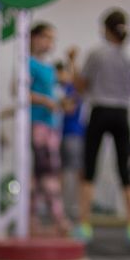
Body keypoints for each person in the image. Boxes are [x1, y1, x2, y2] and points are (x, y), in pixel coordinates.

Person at [73, 8, 130, 246]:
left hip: (100, 112)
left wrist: (73, 64)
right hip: (122, 114)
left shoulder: (96, 53)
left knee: (89, 168)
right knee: (125, 170)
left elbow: (81, 86)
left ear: (105, 29)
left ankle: (84, 225)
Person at [28, 22, 71, 234]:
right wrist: (45, 101)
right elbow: (19, 92)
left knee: (37, 177)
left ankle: (31, 220)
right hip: (38, 125)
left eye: (52, 38)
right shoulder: (27, 63)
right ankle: (59, 218)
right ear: (33, 37)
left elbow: (61, 88)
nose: (50, 43)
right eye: (46, 37)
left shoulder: (47, 66)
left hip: (52, 125)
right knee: (49, 174)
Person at [57, 52, 85, 221]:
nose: (59, 76)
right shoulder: (57, 89)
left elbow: (69, 107)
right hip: (60, 135)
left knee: (76, 173)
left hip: (73, 135)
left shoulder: (72, 89)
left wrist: (73, 61)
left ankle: (78, 207)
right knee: (60, 173)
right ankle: (59, 207)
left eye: (62, 73)